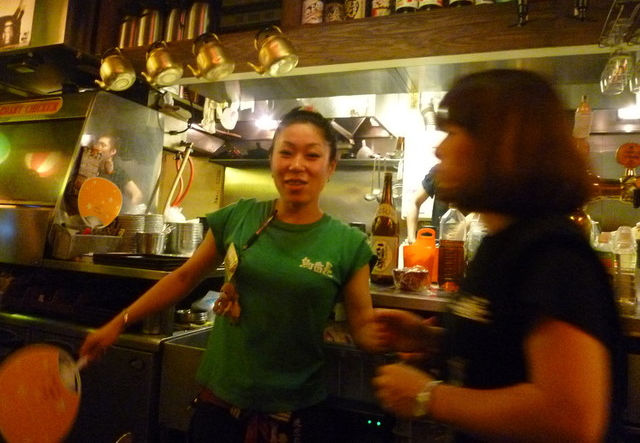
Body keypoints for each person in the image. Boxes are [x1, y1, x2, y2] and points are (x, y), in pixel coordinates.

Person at [80, 108, 386, 443]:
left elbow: (363, 330)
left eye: (312, 155)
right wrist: (119, 322)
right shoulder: (240, 217)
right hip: (220, 405)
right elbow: (184, 278)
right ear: (272, 160)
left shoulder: (349, 244)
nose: (297, 165)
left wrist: (416, 339)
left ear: (330, 166)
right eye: (286, 153)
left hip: (294, 412)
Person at [372, 69, 626, 443]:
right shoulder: (501, 241)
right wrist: (430, 339)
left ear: (497, 146)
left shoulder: (551, 253)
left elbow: (569, 418)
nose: (440, 150)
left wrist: (427, 397)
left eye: (452, 133)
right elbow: (505, 346)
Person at [93, 134, 144, 210]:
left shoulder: (118, 172)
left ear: (113, 151)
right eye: (97, 144)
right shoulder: (91, 166)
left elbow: (137, 194)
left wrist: (128, 210)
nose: (98, 147)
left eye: (103, 145)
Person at [406, 163, 449, 242]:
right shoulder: (440, 171)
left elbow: (474, 215)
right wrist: (411, 238)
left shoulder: (472, 174)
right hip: (437, 243)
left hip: (465, 244)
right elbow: (415, 202)